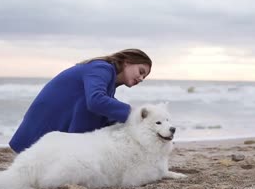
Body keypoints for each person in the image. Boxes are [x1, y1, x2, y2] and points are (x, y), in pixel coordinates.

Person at [9, 49, 152, 153]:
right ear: (127, 62)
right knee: (100, 107)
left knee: (112, 117)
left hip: (49, 138)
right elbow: (95, 101)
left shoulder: (109, 81)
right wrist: (135, 113)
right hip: (37, 138)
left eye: (144, 78)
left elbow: (107, 112)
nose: (141, 79)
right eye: (141, 72)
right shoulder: (101, 68)